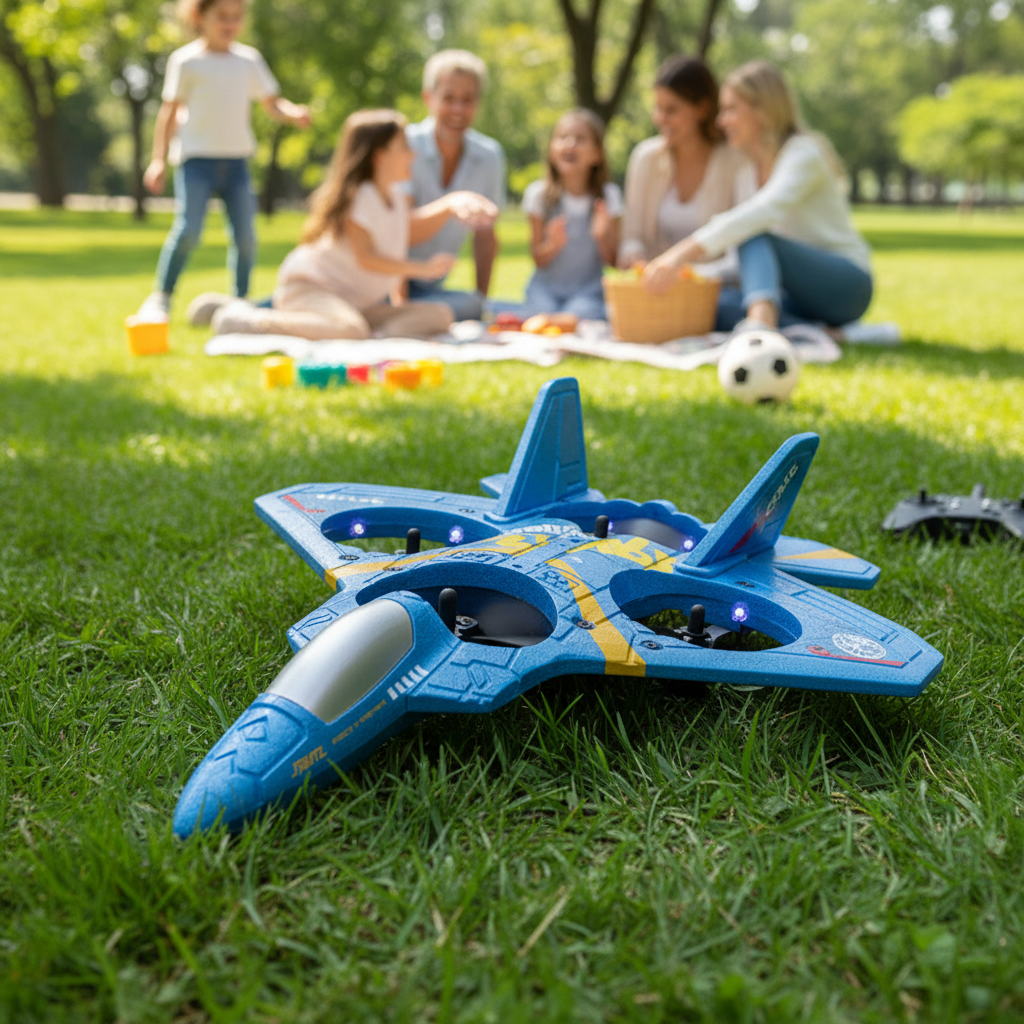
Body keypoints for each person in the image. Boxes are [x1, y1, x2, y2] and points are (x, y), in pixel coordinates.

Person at [210, 109, 498, 340]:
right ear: (380, 156)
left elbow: (396, 244)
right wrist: (421, 269)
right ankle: (251, 321)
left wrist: (400, 304)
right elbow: (369, 258)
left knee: (440, 315)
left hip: (359, 304)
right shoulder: (360, 197)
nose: (414, 154)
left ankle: (382, 335)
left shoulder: (396, 199)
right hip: (313, 288)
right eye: (404, 147)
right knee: (350, 330)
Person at [642, 60, 873, 332]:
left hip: (846, 284)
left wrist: (679, 255)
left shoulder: (803, 154)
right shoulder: (746, 171)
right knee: (719, 307)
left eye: (730, 109)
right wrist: (691, 276)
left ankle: (760, 326)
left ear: (762, 111)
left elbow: (761, 215)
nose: (721, 120)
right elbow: (745, 262)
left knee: (752, 232)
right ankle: (824, 333)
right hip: (793, 293)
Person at [138, 0, 310, 321]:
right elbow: (169, 112)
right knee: (189, 230)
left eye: (236, 17)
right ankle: (161, 296)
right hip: (196, 161)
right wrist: (158, 160)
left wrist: (293, 112)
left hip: (236, 164)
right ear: (199, 17)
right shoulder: (186, 61)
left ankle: (240, 303)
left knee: (245, 236)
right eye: (222, 17)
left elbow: (272, 104)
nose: (230, 24)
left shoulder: (248, 61)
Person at [617, 55, 751, 278]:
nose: (660, 118)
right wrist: (633, 255)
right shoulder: (645, 158)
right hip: (651, 292)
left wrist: (687, 275)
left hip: (715, 293)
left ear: (702, 109)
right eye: (657, 108)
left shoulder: (736, 163)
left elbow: (740, 255)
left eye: (671, 110)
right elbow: (632, 236)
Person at [404, 50, 506, 321]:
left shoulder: (489, 156)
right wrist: (451, 204)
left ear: (478, 103)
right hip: (382, 280)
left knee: (471, 306)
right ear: (429, 98)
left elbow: (486, 238)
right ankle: (394, 312)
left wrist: (481, 301)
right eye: (449, 98)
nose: (458, 110)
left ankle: (400, 316)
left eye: (468, 100)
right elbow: (399, 232)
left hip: (430, 289)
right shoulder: (404, 146)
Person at [521, 109, 621, 321]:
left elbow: (614, 262)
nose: (570, 144)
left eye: (580, 139)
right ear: (551, 149)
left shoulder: (609, 197)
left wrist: (602, 237)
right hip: (545, 290)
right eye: (562, 137)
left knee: (581, 313)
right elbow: (538, 259)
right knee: (543, 312)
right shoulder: (538, 195)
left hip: (588, 292)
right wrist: (553, 245)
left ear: (597, 154)